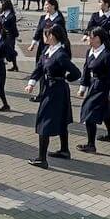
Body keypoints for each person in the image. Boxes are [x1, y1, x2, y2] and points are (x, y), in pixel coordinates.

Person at [24, 25, 80, 169]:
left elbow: (76, 73)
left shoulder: (60, 55)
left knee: (44, 122)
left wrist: (65, 78)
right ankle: (64, 150)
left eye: (45, 34)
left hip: (57, 91)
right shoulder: (47, 50)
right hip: (49, 89)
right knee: (61, 120)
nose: (43, 36)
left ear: (52, 36)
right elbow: (39, 68)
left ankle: (42, 159)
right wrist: (31, 83)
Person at [76, 27, 110, 151]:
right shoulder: (90, 51)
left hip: (102, 87)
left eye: (90, 36)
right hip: (93, 85)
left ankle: (91, 145)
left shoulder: (106, 55)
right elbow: (86, 70)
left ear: (98, 39)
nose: (88, 38)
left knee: (89, 114)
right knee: (105, 111)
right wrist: (82, 87)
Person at [28, 0, 66, 65]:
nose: (45, 7)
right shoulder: (43, 18)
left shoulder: (59, 20)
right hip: (42, 45)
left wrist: (62, 47)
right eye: (44, 5)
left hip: (53, 46)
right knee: (39, 64)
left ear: (53, 6)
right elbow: (38, 31)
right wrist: (32, 44)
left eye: (46, 5)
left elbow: (63, 34)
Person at [0, 0, 19, 71]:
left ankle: (15, 66)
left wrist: (16, 36)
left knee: (10, 50)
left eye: (2, 4)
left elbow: (13, 27)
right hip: (1, 34)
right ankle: (1, 65)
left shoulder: (12, 16)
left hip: (10, 35)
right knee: (0, 49)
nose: (1, 6)